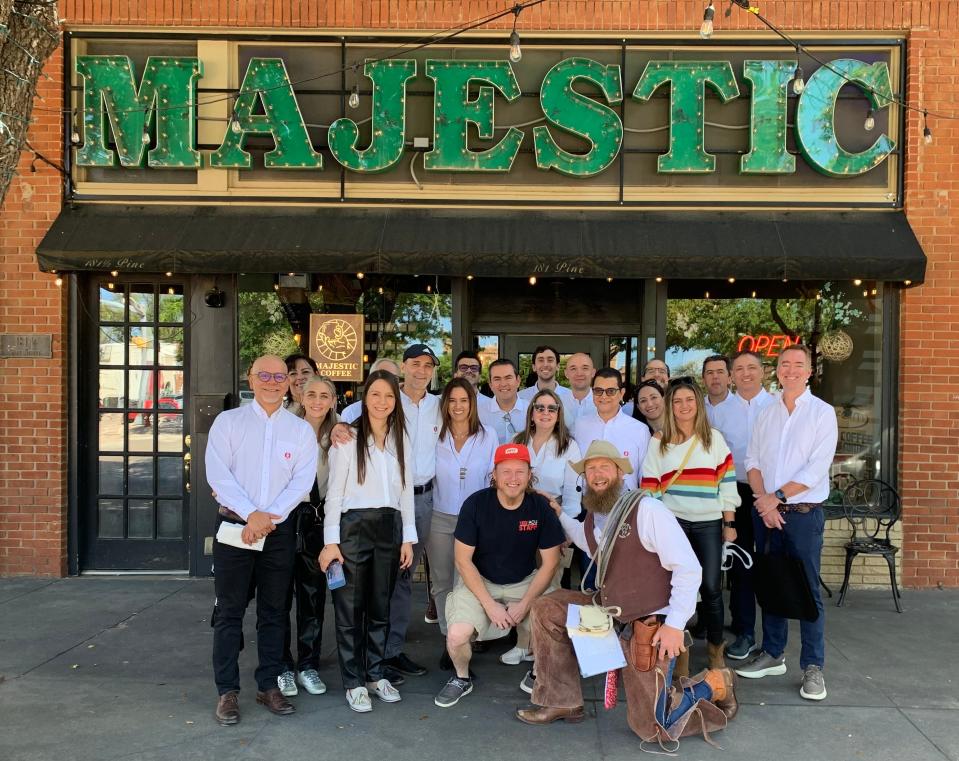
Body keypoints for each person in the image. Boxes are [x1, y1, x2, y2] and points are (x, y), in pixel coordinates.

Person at [515, 440, 737, 747]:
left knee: (652, 728)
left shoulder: (647, 509)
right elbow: (587, 541)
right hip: (610, 610)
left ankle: (714, 683)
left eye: (604, 467)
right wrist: (558, 513)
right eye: (590, 469)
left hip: (649, 622)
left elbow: (688, 568)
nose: (596, 474)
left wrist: (674, 625)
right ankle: (560, 700)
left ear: (620, 472)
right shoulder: (597, 513)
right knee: (546, 608)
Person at [205, 355, 318, 726]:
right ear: (251, 379)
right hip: (235, 528)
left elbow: (302, 482)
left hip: (278, 531)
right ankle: (227, 691)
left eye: (279, 376)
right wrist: (250, 513)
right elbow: (218, 475)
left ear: (288, 382)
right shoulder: (229, 422)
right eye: (264, 375)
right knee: (229, 612)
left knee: (274, 611)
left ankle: (268, 684)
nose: (272, 382)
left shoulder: (300, 430)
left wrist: (267, 518)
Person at [735, 344, 838, 702]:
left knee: (807, 589)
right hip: (767, 513)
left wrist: (774, 497)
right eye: (784, 365)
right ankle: (773, 654)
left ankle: (813, 667)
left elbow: (815, 468)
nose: (790, 370)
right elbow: (752, 459)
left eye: (798, 365)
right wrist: (764, 503)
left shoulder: (822, 413)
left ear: (809, 371)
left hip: (802, 515)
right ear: (776, 370)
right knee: (772, 585)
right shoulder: (767, 413)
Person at [434, 443, 565, 708]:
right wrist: (489, 604)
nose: (513, 479)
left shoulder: (540, 507)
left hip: (526, 580)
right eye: (506, 472)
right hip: (481, 581)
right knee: (457, 635)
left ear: (530, 475)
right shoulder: (475, 504)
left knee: (553, 624)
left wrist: (525, 604)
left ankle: (538, 672)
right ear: (494, 474)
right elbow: (463, 560)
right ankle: (461, 678)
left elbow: (550, 563)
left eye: (520, 472)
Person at [319, 369, 417, 713]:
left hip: (390, 528)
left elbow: (406, 493)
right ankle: (353, 682)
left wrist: (408, 538)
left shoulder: (401, 438)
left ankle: (375, 674)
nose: (382, 402)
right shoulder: (348, 439)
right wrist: (331, 542)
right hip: (353, 528)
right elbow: (334, 494)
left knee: (380, 607)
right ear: (365, 398)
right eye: (375, 394)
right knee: (349, 609)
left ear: (396, 401)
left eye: (389, 396)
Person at [641, 377, 739, 678]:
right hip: (674, 525)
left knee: (710, 589)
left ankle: (715, 656)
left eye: (689, 400)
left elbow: (727, 482)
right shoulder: (660, 441)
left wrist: (729, 523)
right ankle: (679, 658)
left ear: (698, 403)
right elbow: (650, 484)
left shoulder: (715, 439)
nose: (683, 406)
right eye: (677, 401)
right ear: (670, 406)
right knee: (674, 591)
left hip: (708, 523)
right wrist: (658, 524)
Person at [706, 350, 775, 660]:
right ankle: (745, 632)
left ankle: (774, 642)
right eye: (740, 369)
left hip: (772, 496)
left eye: (752, 368)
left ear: (763, 372)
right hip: (736, 495)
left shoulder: (777, 407)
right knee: (742, 565)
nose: (746, 373)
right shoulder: (721, 412)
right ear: (733, 375)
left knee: (771, 565)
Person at [277, 376, 338, 699]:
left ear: (332, 400)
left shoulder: (340, 431)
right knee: (280, 596)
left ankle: (308, 665)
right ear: (300, 395)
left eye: (324, 395)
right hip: (285, 517)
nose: (317, 401)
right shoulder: (284, 426)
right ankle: (283, 666)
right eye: (311, 394)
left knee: (312, 597)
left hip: (318, 519)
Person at [428, 378, 497, 661]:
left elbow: (494, 477)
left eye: (464, 401)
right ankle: (449, 637)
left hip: (474, 521)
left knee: (468, 580)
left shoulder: (488, 435)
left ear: (473, 404)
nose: (458, 406)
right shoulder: (435, 435)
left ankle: (468, 633)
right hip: (439, 516)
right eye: (452, 400)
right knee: (442, 580)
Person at [512, 389, 582, 633]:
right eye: (539, 407)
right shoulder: (517, 441)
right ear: (531, 413)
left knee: (549, 580)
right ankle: (523, 640)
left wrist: (568, 528)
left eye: (552, 408)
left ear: (559, 414)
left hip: (553, 518)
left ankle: (544, 639)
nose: (545, 412)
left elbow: (574, 494)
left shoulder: (569, 446)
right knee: (520, 578)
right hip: (517, 516)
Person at [572, 367, 650, 490]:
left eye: (611, 391)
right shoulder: (579, 425)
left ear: (622, 393)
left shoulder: (640, 430)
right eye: (598, 390)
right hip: (588, 504)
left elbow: (645, 475)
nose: (604, 396)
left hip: (626, 505)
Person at [518, 345, 576, 427]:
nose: (545, 364)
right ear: (534, 367)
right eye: (541, 360)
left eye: (550, 360)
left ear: (558, 366)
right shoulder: (521, 397)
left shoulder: (572, 397)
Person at [479, 358, 530, 444]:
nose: (503, 384)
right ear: (490, 384)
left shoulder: (531, 410)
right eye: (497, 379)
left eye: (508, 378)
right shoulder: (479, 413)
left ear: (518, 381)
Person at [340, 357, 400, 424]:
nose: (388, 382)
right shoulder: (351, 413)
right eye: (382, 376)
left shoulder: (409, 412)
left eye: (394, 378)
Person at [563, 351, 596, 421]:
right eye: (573, 369)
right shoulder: (558, 402)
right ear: (566, 373)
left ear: (593, 372)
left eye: (585, 368)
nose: (579, 373)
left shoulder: (603, 402)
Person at [284, 352, 318, 417]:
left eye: (305, 372)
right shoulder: (278, 414)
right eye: (293, 373)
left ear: (317, 375)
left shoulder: (332, 417)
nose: (300, 377)